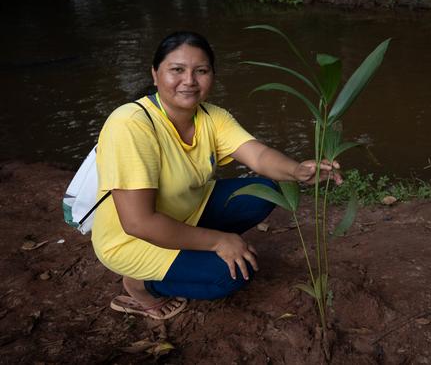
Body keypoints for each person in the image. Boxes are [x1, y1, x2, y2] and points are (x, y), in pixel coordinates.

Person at [92, 31, 341, 320]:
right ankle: (140, 285)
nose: (189, 81)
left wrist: (297, 171)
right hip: (132, 239)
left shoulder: (211, 116)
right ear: (155, 74)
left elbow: (258, 156)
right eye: (177, 70)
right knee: (229, 277)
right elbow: (138, 222)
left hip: (185, 211)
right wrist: (217, 241)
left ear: (212, 75)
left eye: (201, 71)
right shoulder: (131, 124)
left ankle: (191, 248)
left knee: (262, 191)